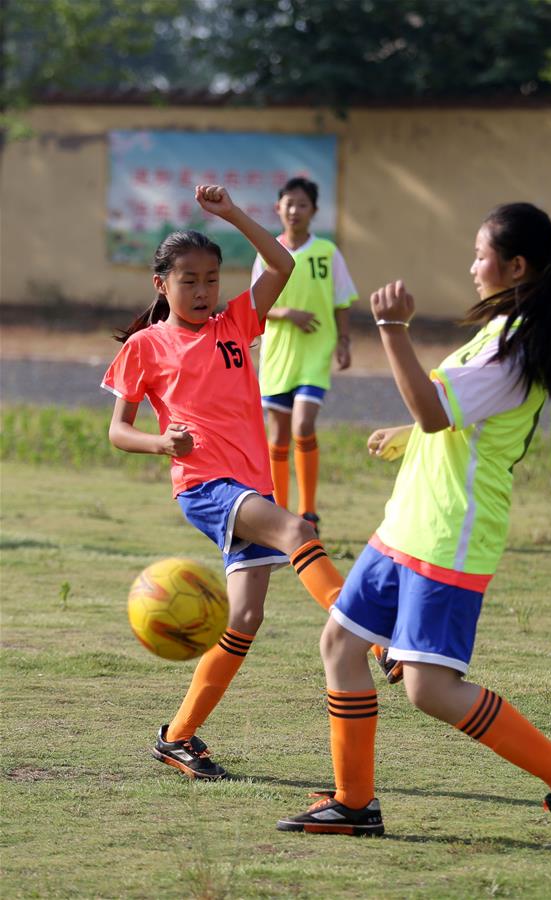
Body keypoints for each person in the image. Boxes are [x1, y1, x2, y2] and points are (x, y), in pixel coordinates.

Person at [277, 203, 551, 848]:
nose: (473, 265)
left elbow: (434, 411)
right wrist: (413, 434)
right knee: (341, 644)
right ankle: (353, 802)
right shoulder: (501, 331)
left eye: (481, 254)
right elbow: (448, 420)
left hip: (451, 534)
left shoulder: (513, 349)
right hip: (407, 522)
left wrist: (392, 329)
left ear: (515, 266)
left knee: (429, 690)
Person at [102, 184, 352, 781]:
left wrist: (233, 214)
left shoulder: (237, 321)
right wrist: (161, 443)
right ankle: (374, 639)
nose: (203, 290)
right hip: (204, 485)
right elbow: (117, 430)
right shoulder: (145, 346)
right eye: (188, 280)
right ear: (161, 283)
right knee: (297, 528)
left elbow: (284, 264)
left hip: (250, 486)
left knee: (243, 619)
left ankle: (178, 736)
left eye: (211, 278)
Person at [252, 177, 359, 533]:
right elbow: (256, 306)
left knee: (303, 425)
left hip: (315, 352)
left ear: (313, 211)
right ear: (278, 208)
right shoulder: (267, 252)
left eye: (302, 204)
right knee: (278, 435)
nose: (294, 210)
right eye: (288, 203)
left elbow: (342, 298)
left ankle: (309, 511)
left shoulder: (327, 253)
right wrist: (288, 314)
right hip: (278, 356)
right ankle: (279, 510)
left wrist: (344, 340)